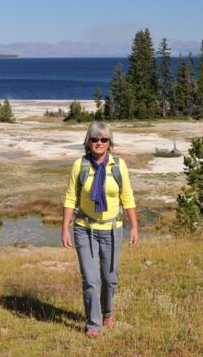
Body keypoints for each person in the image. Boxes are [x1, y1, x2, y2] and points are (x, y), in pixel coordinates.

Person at [62, 121, 138, 338]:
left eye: (104, 139)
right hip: (84, 229)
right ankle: (93, 324)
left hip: (113, 230)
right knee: (91, 278)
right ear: (88, 142)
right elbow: (70, 197)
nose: (99, 143)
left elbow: (127, 197)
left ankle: (108, 312)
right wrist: (65, 227)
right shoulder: (80, 165)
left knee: (109, 277)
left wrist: (134, 226)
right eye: (94, 139)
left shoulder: (118, 166)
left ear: (110, 143)